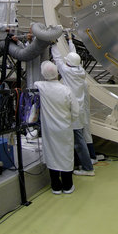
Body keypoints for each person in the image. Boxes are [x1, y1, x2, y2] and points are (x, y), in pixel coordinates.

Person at [51, 31, 95, 176]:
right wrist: (69, 40)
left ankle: (88, 168)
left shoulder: (67, 72)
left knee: (78, 141)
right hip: (80, 111)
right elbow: (74, 55)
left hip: (72, 112)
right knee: (80, 137)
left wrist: (53, 43)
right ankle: (85, 163)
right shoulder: (80, 71)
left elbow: (57, 59)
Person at [35, 61, 79, 194]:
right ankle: (67, 186)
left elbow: (35, 84)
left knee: (52, 154)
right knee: (66, 155)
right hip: (65, 128)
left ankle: (55, 186)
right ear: (57, 73)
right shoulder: (66, 90)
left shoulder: (40, 86)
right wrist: (69, 120)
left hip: (49, 129)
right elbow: (76, 111)